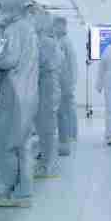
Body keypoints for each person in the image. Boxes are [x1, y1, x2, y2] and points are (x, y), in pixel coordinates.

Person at [0, 0, 39, 208]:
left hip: (16, 93)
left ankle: (8, 190)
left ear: (8, 6)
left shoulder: (15, 29)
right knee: (23, 144)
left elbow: (9, 60)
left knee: (6, 143)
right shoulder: (28, 28)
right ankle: (24, 192)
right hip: (28, 92)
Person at [33, 11, 63, 179]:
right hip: (45, 84)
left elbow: (39, 62)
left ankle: (48, 165)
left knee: (46, 127)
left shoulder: (46, 42)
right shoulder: (45, 41)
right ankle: (46, 161)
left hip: (47, 85)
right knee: (44, 126)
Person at [55, 16, 78, 155]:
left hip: (66, 81)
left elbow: (72, 64)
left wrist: (72, 82)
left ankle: (71, 134)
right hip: (62, 81)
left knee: (67, 110)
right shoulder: (59, 40)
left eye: (57, 25)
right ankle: (70, 134)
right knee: (66, 109)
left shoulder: (65, 42)